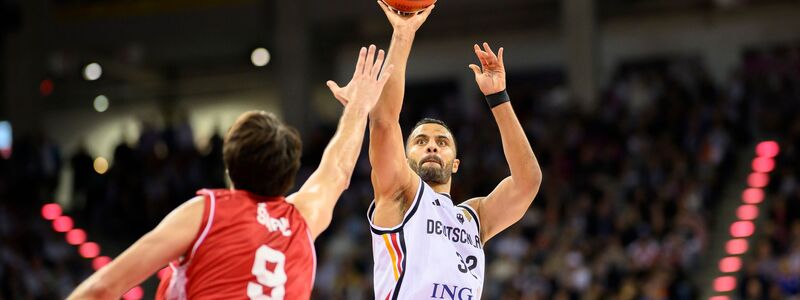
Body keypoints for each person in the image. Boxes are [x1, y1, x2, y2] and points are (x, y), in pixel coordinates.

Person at [67, 45, 394, 300]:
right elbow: (337, 170)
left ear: (228, 165)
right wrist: (358, 108)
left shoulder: (206, 212)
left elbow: (102, 289)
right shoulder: (302, 220)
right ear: (290, 175)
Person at [358, 2, 543, 298]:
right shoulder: (399, 194)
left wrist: (498, 98)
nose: (432, 144)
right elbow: (383, 122)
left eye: (442, 142)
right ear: (404, 159)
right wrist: (403, 34)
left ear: (455, 164)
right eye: (420, 141)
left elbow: (528, 182)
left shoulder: (473, 217)